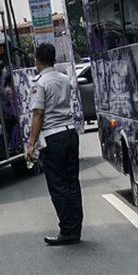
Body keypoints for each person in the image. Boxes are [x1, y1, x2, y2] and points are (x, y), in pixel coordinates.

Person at [25, 43, 82, 246]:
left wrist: (31, 144)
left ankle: (67, 231)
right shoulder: (64, 79)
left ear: (37, 60)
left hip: (53, 138)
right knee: (72, 182)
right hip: (69, 133)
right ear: (54, 59)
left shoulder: (39, 83)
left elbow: (38, 113)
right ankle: (75, 228)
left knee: (58, 186)